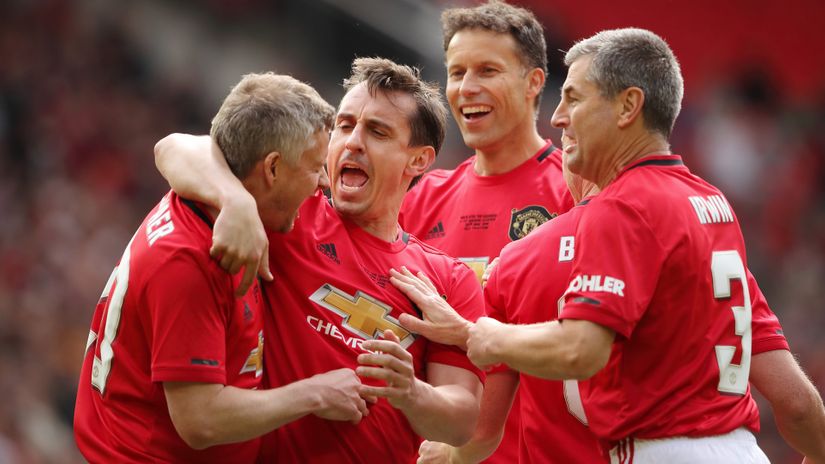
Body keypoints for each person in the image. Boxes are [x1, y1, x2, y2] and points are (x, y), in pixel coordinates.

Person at [393, 28, 825, 462]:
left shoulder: (617, 209)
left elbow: (580, 350)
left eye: (575, 99)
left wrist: (480, 335)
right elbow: (797, 404)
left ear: (628, 106)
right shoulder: (712, 205)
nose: (558, 117)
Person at [153, 57, 484, 463]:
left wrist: (412, 392)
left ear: (418, 160)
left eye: (377, 131)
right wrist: (235, 200)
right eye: (344, 125)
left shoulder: (448, 280)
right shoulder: (288, 212)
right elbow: (174, 147)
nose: (353, 142)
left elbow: (462, 422)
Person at [74, 73, 371, 463]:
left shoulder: (219, 200)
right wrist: (315, 393)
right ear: (272, 168)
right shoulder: (188, 261)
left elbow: (178, 145)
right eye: (315, 167)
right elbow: (200, 421)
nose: (323, 183)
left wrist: (237, 201)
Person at [397, 2, 578, 462]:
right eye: (456, 72)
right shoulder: (419, 198)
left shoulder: (575, 195)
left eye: (487, 70)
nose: (467, 88)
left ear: (534, 82)